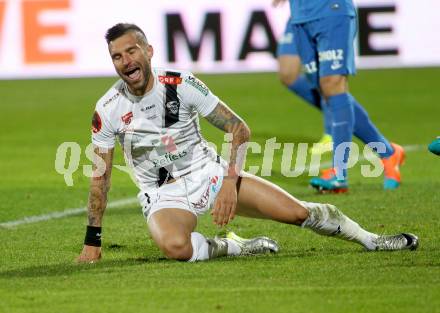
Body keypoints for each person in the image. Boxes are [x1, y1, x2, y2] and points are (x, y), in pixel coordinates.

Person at [77, 23, 418, 264]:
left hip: (210, 174)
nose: (126, 62)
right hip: (163, 194)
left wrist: (228, 182)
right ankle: (233, 247)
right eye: (117, 57)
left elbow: (238, 128)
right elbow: (100, 177)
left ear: (148, 51)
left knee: (299, 213)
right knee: (176, 247)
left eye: (131, 51)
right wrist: (92, 243)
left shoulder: (181, 84)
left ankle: (372, 240)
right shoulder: (108, 109)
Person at [273, 0, 405, 193]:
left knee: (332, 84)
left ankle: (339, 173)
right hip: (300, 15)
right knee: (324, 88)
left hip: (330, 10)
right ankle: (388, 153)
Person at [276, 18, 333, 155]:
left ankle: (332, 135)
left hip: (324, 12)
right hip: (298, 14)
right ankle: (341, 110)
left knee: (325, 76)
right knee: (287, 74)